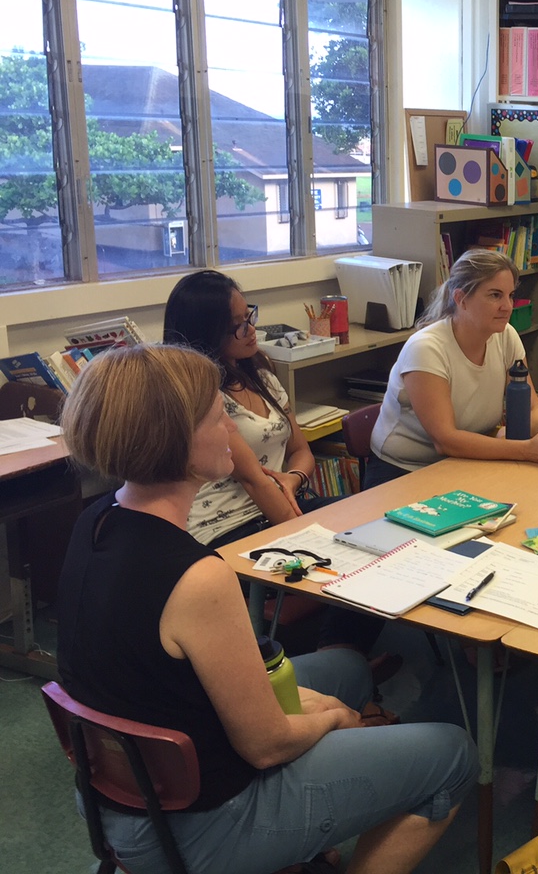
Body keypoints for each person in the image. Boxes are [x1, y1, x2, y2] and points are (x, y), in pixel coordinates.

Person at [56, 345, 478, 874]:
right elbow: (266, 746)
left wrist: (315, 708)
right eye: (218, 418)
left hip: (122, 792)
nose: (232, 431)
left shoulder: (96, 520)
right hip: (196, 825)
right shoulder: (197, 575)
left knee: (345, 668)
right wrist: (334, 720)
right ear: (176, 443)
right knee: (454, 753)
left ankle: (305, 846)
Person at [367, 249, 538, 487]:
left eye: (510, 295)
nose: (507, 306)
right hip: (404, 472)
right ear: (461, 299)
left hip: (468, 462)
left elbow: (531, 409)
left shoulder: (506, 336)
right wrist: (526, 450)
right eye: (495, 295)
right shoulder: (426, 348)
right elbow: (446, 440)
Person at [163, 270, 320, 549]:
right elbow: (253, 481)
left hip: (277, 507)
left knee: (368, 517)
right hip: (228, 525)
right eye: (237, 325)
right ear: (206, 334)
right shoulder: (203, 395)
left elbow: (301, 450)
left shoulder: (263, 375)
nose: (250, 330)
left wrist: (292, 478)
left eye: (249, 316)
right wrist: (311, 541)